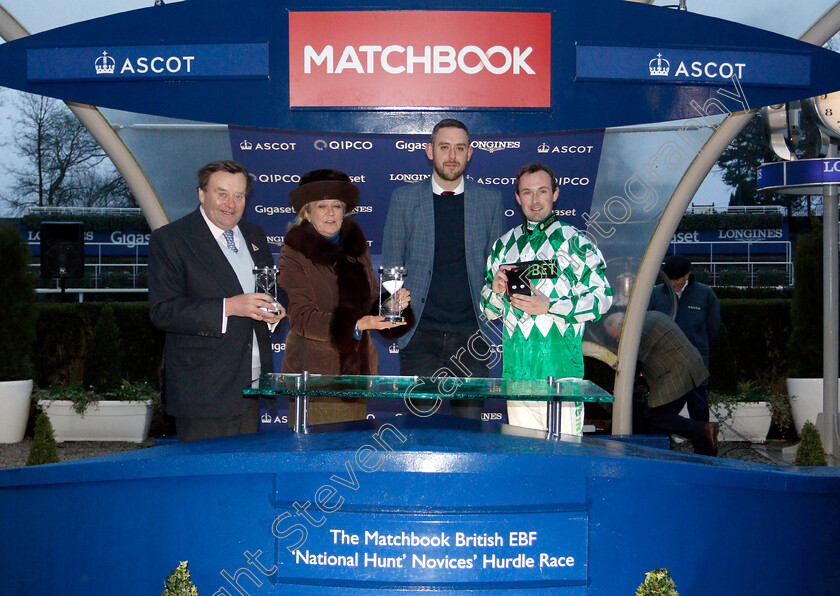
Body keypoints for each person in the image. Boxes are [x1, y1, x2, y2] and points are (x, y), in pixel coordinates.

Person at [149, 160, 286, 441]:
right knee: (206, 482)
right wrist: (229, 307)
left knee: (243, 480)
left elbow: (269, 288)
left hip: (251, 383)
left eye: (239, 196)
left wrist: (276, 307)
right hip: (203, 393)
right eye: (221, 193)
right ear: (201, 194)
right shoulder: (171, 239)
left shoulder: (254, 234)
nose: (230, 204)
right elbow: (163, 311)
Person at [382, 118, 505, 419]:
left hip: (472, 337)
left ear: (470, 153)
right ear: (429, 151)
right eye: (445, 147)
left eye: (459, 148)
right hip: (419, 336)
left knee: (469, 436)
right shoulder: (404, 198)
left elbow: (496, 271)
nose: (452, 156)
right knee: (420, 436)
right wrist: (392, 318)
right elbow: (392, 267)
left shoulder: (490, 201)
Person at [481, 163, 613, 434]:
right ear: (518, 198)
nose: (535, 199)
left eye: (542, 191)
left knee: (563, 461)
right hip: (516, 375)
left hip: (561, 374)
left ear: (555, 194)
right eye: (527, 193)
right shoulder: (502, 246)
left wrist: (550, 307)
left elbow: (602, 298)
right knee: (524, 461)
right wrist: (494, 291)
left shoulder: (575, 242)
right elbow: (490, 311)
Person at [278, 169, 412, 425]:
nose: (330, 212)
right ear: (306, 212)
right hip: (315, 377)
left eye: (337, 206)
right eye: (322, 206)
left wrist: (389, 306)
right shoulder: (293, 253)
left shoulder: (356, 247)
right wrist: (356, 324)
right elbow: (301, 317)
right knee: (317, 458)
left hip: (357, 374)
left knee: (350, 454)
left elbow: (371, 298)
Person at [605, 310, 719, 456]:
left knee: (656, 415)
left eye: (618, 337)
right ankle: (706, 458)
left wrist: (619, 390)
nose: (619, 341)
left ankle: (702, 430)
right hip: (693, 366)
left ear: (622, 325)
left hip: (677, 373)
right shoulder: (648, 316)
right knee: (692, 415)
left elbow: (634, 365)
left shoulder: (638, 331)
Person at [648, 254, 720, 422]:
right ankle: (664, 447)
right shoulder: (655, 294)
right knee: (662, 414)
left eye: (678, 279)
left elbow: (713, 328)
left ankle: (703, 448)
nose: (674, 283)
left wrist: (696, 347)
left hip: (694, 367)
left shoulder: (705, 294)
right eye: (670, 279)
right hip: (665, 368)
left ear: (687, 275)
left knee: (699, 411)